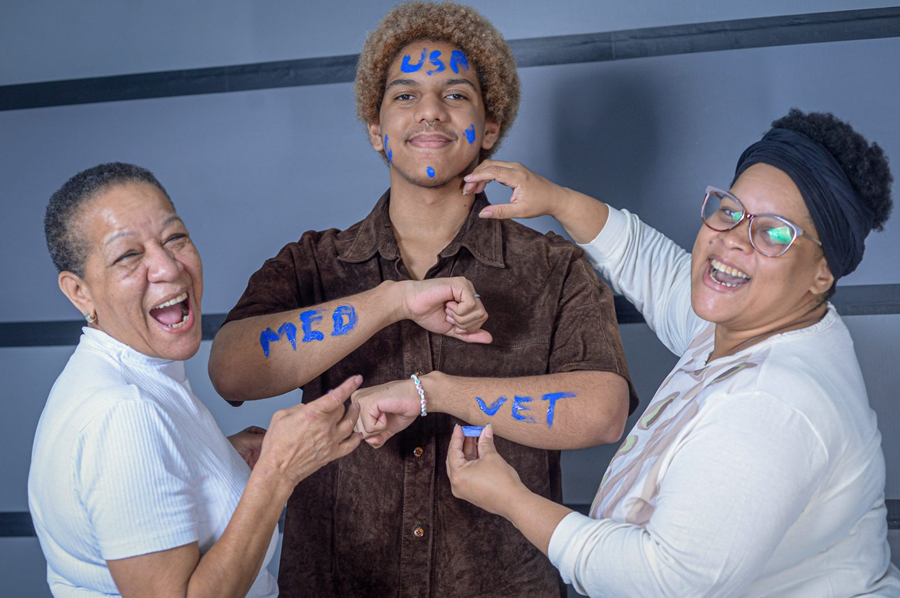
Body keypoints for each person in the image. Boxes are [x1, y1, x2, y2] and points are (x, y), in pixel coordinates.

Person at [208, 2, 637, 596]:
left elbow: (604, 410)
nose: (430, 111)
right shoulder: (313, 262)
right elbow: (230, 371)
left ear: (489, 129)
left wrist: (432, 393)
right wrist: (390, 301)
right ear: (375, 129)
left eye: (455, 94)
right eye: (404, 95)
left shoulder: (553, 267)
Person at [445, 108, 900, 596]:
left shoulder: (771, 405)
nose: (731, 241)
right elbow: (649, 263)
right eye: (729, 210)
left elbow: (666, 582)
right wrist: (556, 199)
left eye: (772, 233)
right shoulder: (749, 322)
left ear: (822, 274)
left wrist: (511, 499)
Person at [29, 162, 363, 598]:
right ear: (79, 292)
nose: (168, 267)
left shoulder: (123, 379)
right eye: (129, 255)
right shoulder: (122, 415)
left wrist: (214, 459)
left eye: (175, 238)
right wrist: (278, 472)